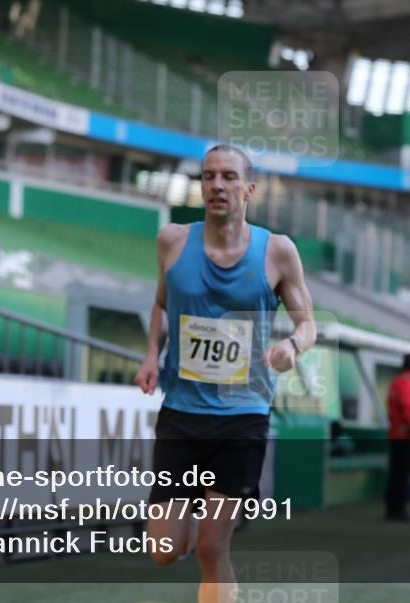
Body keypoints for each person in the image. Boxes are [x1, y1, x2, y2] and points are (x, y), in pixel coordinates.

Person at [135, 144, 316, 603]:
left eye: (229, 177)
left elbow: (308, 323)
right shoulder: (172, 241)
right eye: (209, 176)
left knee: (213, 547)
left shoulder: (276, 251)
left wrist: (291, 346)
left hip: (242, 415)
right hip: (181, 412)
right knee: (162, 549)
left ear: (249, 189)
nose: (218, 185)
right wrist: (151, 355)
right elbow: (160, 303)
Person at [385, 353, 410, 522]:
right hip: (405, 435)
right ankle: (398, 510)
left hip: (396, 433)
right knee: (402, 473)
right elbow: (409, 410)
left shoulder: (395, 383)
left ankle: (392, 508)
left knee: (395, 473)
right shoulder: (405, 384)